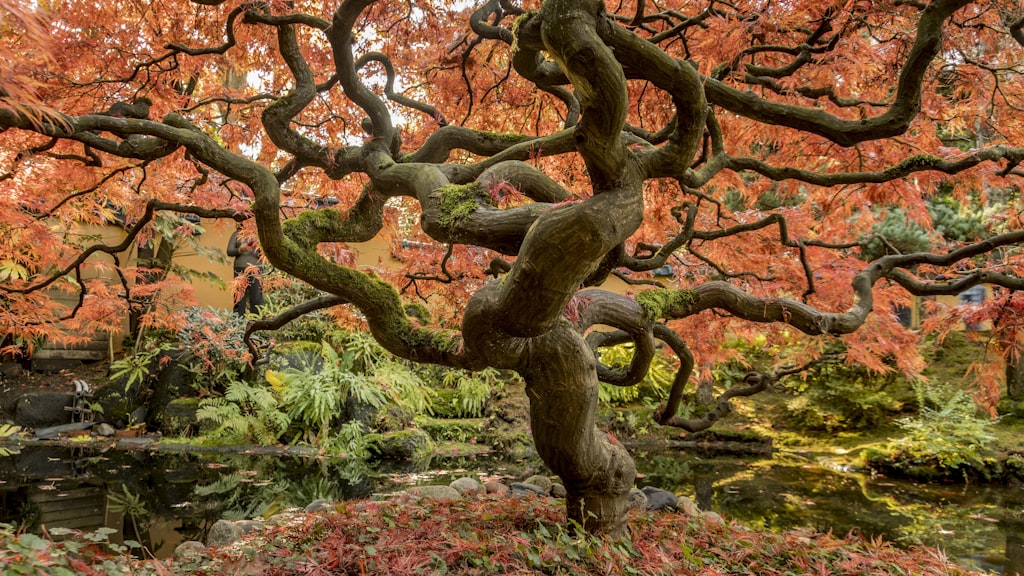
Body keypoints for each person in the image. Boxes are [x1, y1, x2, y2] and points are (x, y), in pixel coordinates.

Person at [227, 227, 263, 316]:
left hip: (256, 268)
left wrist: (259, 246)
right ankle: (238, 322)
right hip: (240, 268)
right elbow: (229, 251)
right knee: (239, 298)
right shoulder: (236, 234)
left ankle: (257, 322)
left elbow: (266, 252)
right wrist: (240, 250)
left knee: (256, 297)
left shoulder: (259, 234)